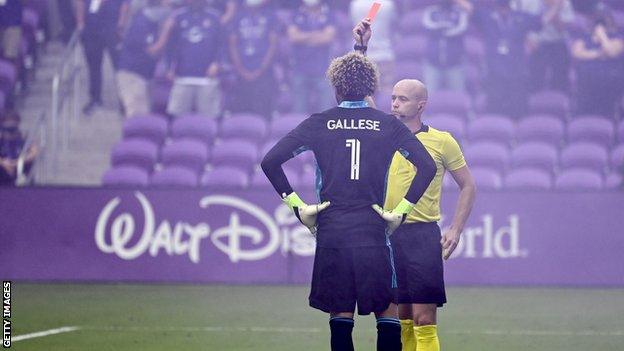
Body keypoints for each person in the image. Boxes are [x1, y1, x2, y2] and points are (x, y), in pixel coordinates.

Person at [261, 43, 437, 349]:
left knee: (341, 318)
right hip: (374, 231)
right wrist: (402, 211)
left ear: (335, 87)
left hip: (332, 233)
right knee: (387, 313)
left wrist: (298, 207)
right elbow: (427, 166)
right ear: (372, 87)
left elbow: (270, 161)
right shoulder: (386, 125)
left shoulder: (318, 123)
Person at [354, 19, 476, 351]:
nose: (394, 103)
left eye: (403, 99)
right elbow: (360, 95)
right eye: (392, 98)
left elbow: (467, 185)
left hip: (422, 234)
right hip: (387, 234)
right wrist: (362, 47)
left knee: (424, 318)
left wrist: (456, 228)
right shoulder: (381, 131)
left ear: (420, 105)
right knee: (399, 318)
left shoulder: (442, 141)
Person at [151, 0, 224, 117]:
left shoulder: (215, 17)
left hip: (207, 78)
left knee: (208, 119)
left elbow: (222, 45)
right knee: (177, 116)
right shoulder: (177, 17)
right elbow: (170, 46)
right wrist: (169, 67)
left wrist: (217, 63)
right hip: (182, 77)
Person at [472, 0, 541, 117]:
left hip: (516, 71)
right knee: (495, 110)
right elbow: (471, 9)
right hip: (494, 72)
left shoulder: (521, 17)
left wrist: (557, 7)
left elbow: (540, 22)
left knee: (517, 109)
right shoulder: (488, 16)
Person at [116, 0, 170, 118]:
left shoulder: (155, 24)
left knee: (147, 116)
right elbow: (151, 50)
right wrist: (166, 32)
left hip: (145, 75)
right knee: (138, 117)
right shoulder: (141, 22)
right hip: (131, 74)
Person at [75, 0, 130, 115]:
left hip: (112, 24)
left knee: (119, 67)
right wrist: (80, 22)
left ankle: (124, 100)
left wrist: (121, 24)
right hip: (91, 26)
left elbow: (125, 3)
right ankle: (95, 98)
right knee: (93, 66)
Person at [571, 3, 624, 117]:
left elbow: (611, 51)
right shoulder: (584, 37)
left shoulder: (617, 38)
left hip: (610, 82)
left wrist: (602, 35)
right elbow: (577, 53)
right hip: (587, 82)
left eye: (604, 18)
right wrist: (599, 54)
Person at [228, 0, 278, 118]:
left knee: (263, 110)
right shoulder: (237, 17)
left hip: (264, 72)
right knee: (242, 110)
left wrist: (261, 69)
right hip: (241, 71)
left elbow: (273, 45)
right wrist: (240, 68)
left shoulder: (270, 17)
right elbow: (232, 44)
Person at [514, 0, 575, 92]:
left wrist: (554, 9)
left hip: (557, 42)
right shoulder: (527, 2)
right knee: (535, 81)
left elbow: (562, 29)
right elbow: (520, 25)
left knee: (561, 80)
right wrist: (527, 41)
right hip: (536, 43)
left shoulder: (563, 2)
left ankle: (561, 98)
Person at [287, 0, 336, 113]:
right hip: (300, 69)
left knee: (325, 113)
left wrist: (303, 36)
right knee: (299, 114)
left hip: (323, 69)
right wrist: (317, 34)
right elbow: (293, 37)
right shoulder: (295, 14)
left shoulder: (329, 14)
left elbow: (327, 38)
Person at [421, 0, 473, 92]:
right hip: (433, 64)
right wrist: (445, 27)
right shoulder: (430, 12)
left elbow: (461, 29)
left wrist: (443, 29)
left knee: (458, 97)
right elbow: (428, 26)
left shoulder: (460, 13)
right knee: (428, 97)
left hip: (455, 65)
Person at [349, 0, 397, 90]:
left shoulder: (355, 4)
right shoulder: (387, 4)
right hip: (383, 54)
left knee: (363, 93)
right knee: (386, 93)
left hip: (361, 53)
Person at [0, 111, 38, 186]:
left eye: (13, 121)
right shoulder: (1, 138)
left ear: (17, 122)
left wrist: (18, 162)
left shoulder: (25, 137)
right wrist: (3, 163)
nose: (10, 125)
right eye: (7, 122)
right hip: (3, 169)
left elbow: (34, 153)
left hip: (21, 167)